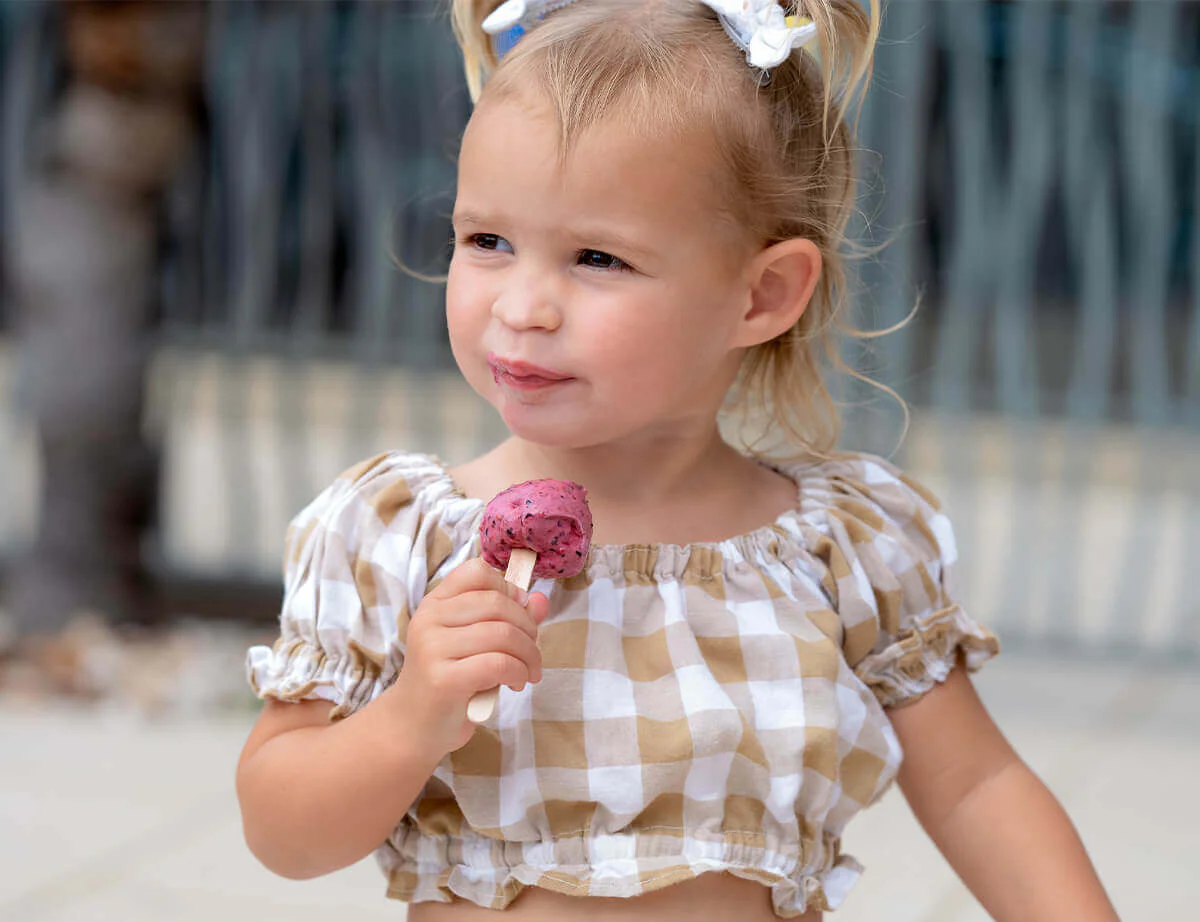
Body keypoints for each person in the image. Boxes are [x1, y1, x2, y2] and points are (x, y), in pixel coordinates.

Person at [236, 1, 1119, 919]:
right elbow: (284, 835)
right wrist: (414, 714)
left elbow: (979, 790)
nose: (525, 306)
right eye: (487, 241)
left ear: (761, 294)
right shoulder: (397, 537)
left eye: (598, 258)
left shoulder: (839, 553)